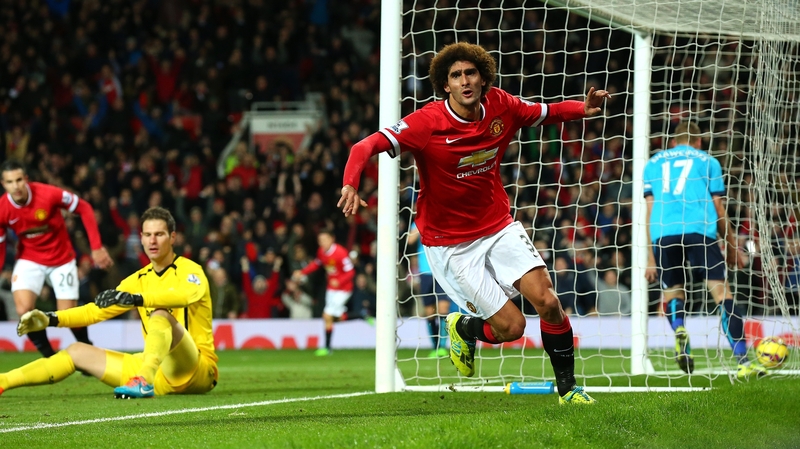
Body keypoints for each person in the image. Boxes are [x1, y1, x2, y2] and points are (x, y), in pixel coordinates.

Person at [337, 42, 609, 404]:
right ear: (445, 85)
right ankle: (462, 325)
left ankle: (569, 390)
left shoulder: (501, 104)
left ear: (482, 79)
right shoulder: (425, 123)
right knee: (512, 328)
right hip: (450, 244)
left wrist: (583, 109)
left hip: (498, 226)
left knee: (548, 301)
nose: (464, 81)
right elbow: (362, 147)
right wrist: (350, 183)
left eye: (470, 73)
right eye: (455, 76)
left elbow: (545, 112)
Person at [0, 207, 218, 398]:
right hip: (157, 372)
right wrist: (51, 319)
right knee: (76, 351)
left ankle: (143, 379)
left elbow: (181, 297)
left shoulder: (191, 271)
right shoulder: (137, 280)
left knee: (160, 314)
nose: (152, 241)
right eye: (148, 235)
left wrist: (138, 299)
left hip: (197, 369)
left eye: (159, 234)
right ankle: (3, 381)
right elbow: (94, 312)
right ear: (140, 237)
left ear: (172, 238)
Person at [642, 121, 760, 378]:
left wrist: (651, 256)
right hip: (699, 230)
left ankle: (680, 330)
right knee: (721, 293)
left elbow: (650, 210)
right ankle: (743, 361)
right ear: (699, 141)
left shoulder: (653, 162)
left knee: (673, 292)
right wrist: (730, 246)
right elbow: (718, 209)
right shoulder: (708, 161)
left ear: (673, 141)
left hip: (663, 232)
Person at [0, 159, 114, 358]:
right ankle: (48, 356)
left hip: (61, 259)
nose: (16, 186)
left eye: (19, 180)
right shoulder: (2, 209)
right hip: (29, 259)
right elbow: (0, 242)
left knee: (66, 315)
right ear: (3, 184)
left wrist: (96, 248)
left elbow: (84, 208)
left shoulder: (48, 194)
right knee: (23, 309)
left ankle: (87, 347)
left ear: (26, 179)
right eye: (10, 182)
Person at [292, 228, 355, 356]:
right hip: (331, 289)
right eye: (320, 240)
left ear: (332, 239)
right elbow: (316, 264)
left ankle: (327, 348)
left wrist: (340, 281)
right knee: (334, 318)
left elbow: (351, 271)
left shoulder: (341, 253)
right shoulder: (321, 252)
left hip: (344, 289)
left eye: (325, 239)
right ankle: (361, 315)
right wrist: (302, 272)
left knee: (326, 316)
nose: (322, 242)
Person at [408, 221, 451, 358]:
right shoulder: (419, 223)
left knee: (443, 309)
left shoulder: (444, 221)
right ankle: (435, 347)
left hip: (443, 271)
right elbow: (410, 240)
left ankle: (443, 347)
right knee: (429, 312)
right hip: (425, 273)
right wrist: (423, 223)